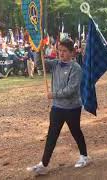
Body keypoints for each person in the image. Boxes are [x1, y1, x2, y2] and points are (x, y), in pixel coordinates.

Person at [27, 38, 89, 175]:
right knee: (52, 135)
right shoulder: (55, 64)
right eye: (59, 50)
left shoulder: (76, 68)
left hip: (72, 107)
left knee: (76, 132)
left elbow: (71, 90)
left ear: (72, 53)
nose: (61, 53)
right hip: (57, 108)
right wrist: (38, 49)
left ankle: (84, 156)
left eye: (65, 51)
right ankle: (43, 164)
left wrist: (54, 94)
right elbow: (39, 64)